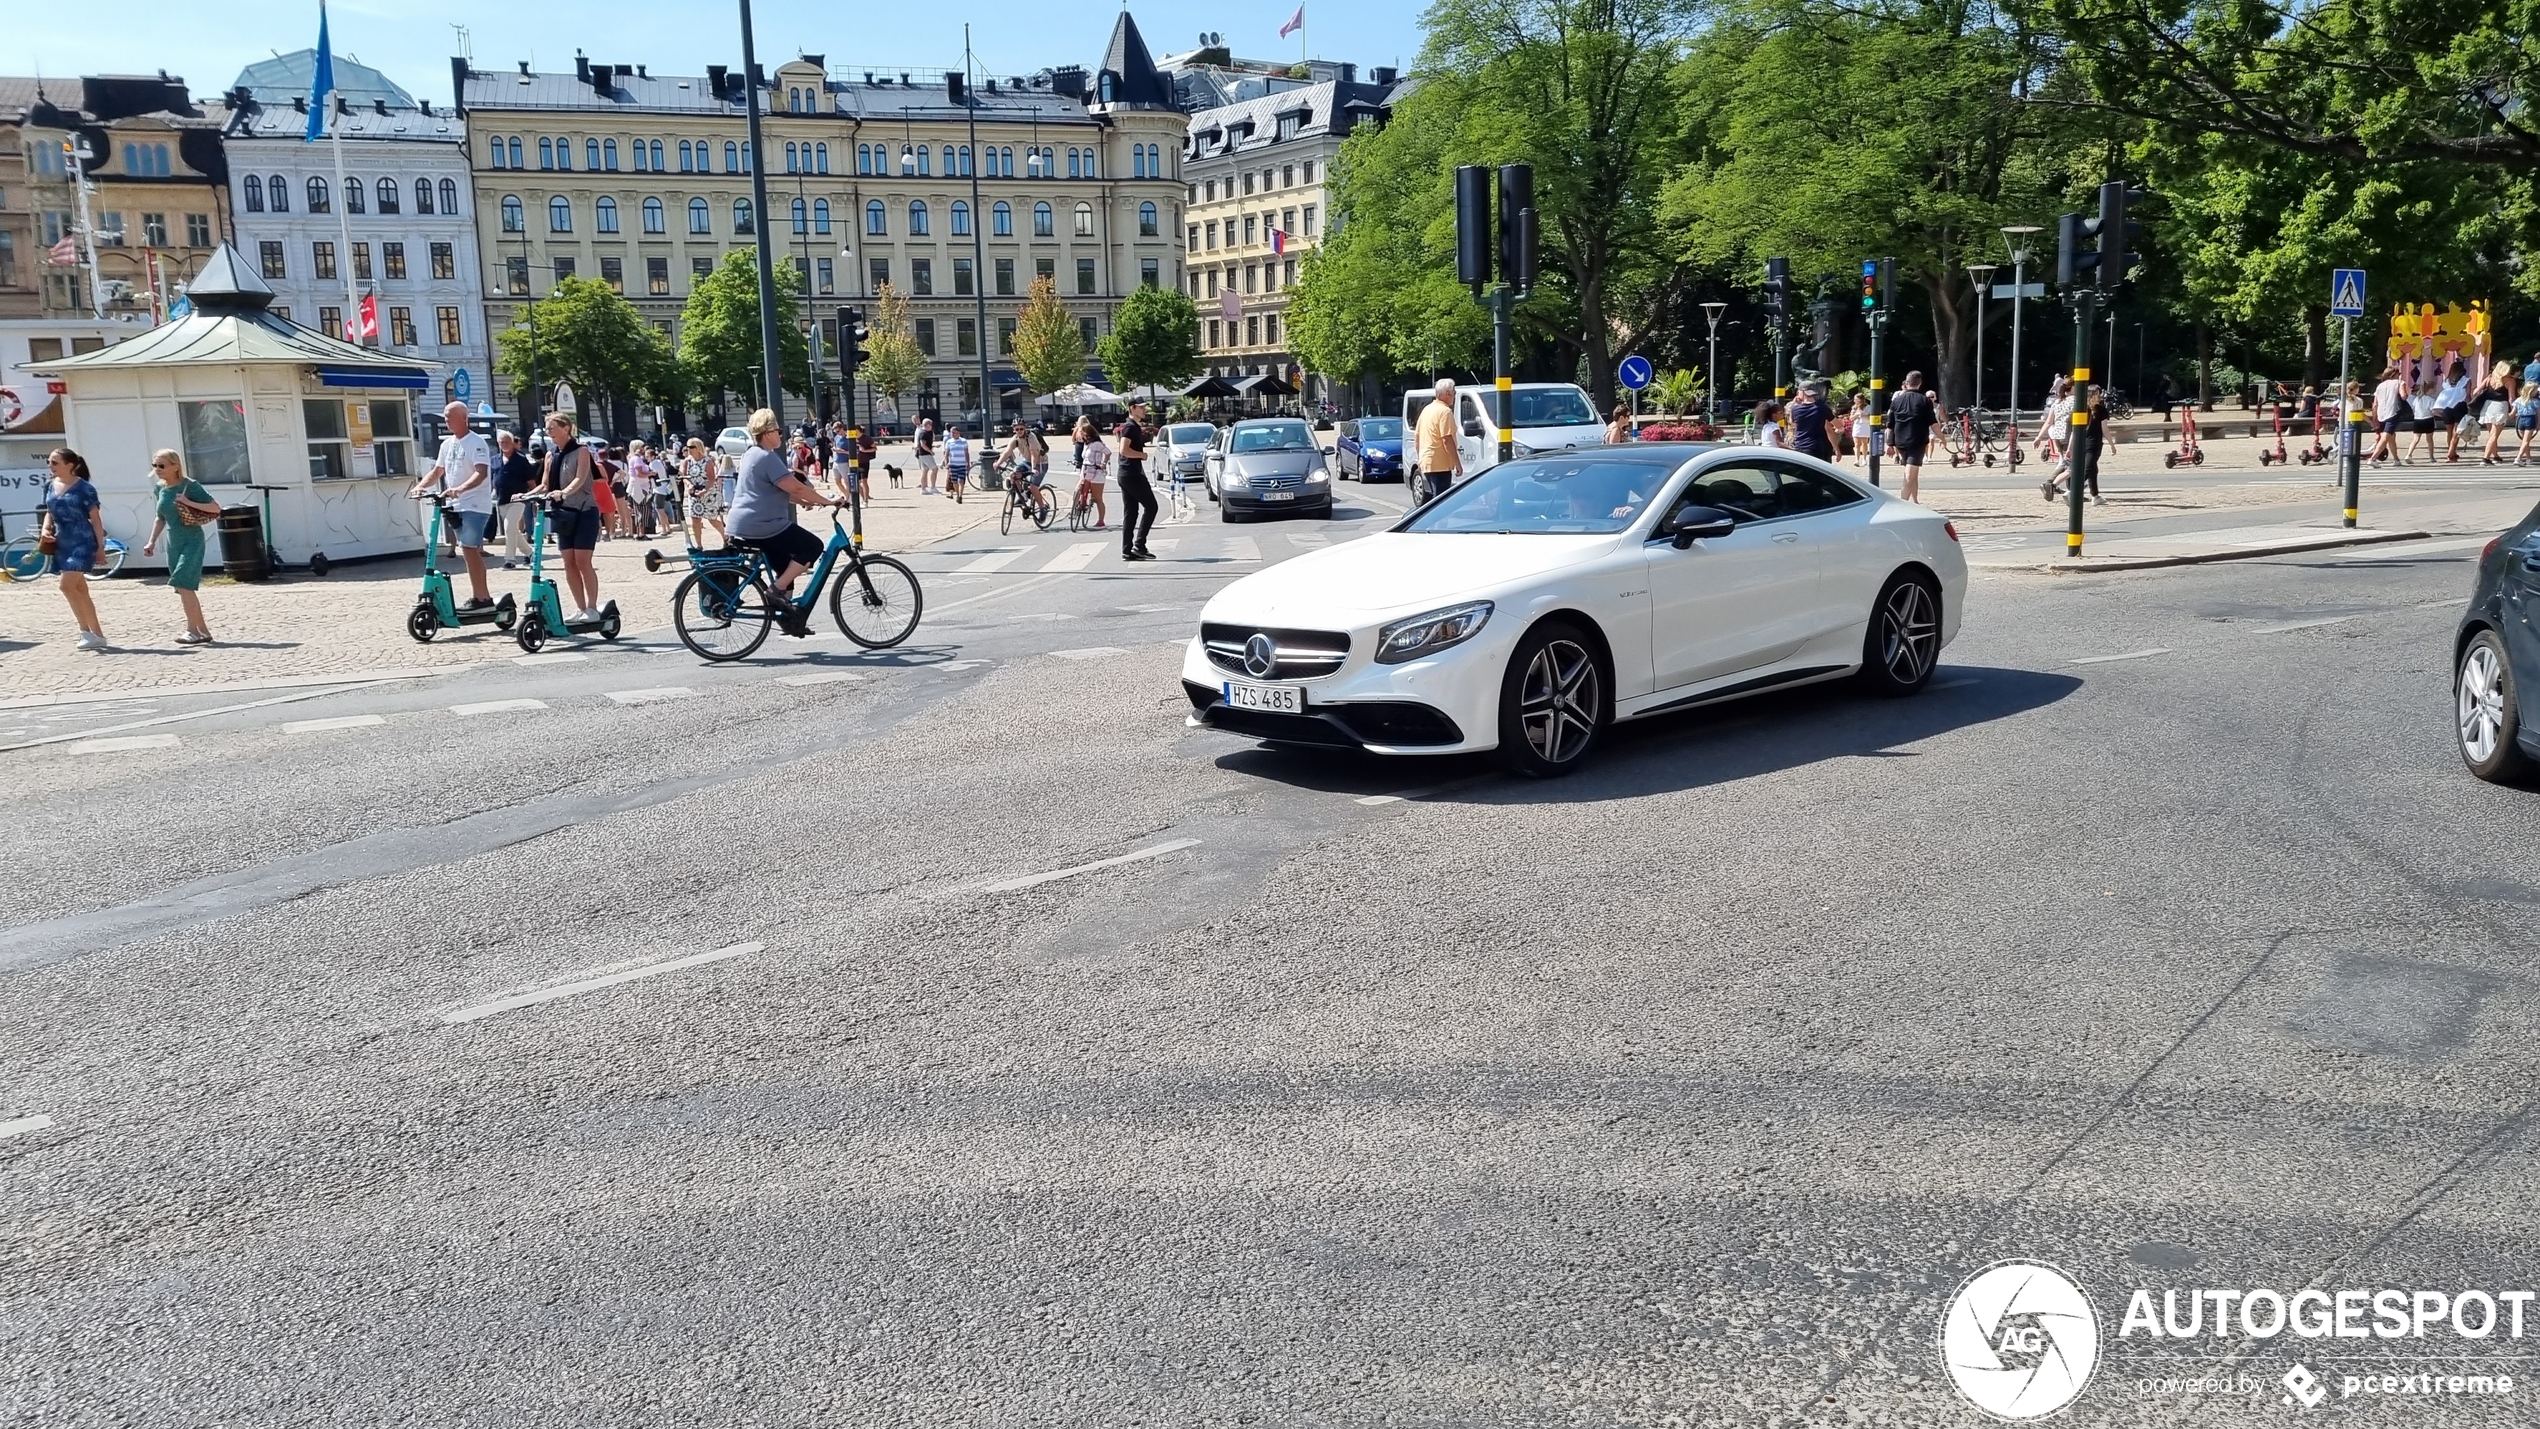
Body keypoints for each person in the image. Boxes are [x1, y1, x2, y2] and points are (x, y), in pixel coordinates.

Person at [725, 407, 846, 637]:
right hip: (763, 524)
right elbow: (796, 486)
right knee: (813, 547)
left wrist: (805, 502)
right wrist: (828, 502)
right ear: (767, 432)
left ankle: (789, 620)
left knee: (785, 568)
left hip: (746, 524)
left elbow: (783, 492)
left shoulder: (751, 454)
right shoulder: (767, 457)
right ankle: (775, 591)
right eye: (778, 430)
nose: (781, 435)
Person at [407, 399, 498, 610]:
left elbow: (481, 472)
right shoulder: (447, 444)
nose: (446, 420)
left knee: (469, 547)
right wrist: (420, 486)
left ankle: (483, 598)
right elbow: (438, 471)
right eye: (445, 416)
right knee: (467, 551)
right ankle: (480, 597)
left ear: (464, 419)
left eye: (450, 416)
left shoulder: (476, 442)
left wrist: (461, 488)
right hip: (455, 505)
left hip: (475, 504)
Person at [139, 449, 221, 645]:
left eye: (162, 465)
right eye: (155, 465)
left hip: (191, 538)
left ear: (175, 466)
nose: (158, 469)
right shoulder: (160, 488)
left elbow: (215, 508)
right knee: (183, 587)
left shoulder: (190, 486)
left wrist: (187, 501)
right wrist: (151, 541)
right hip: (173, 540)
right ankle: (203, 631)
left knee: (183, 582)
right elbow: (160, 517)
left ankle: (192, 630)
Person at [532, 412, 606, 622]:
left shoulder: (581, 451)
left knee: (583, 561)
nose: (549, 432)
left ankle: (592, 608)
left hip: (584, 511)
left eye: (552, 427)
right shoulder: (550, 455)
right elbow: (545, 484)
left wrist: (564, 492)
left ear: (566, 428)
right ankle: (580, 608)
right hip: (563, 514)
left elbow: (580, 479)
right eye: (547, 429)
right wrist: (526, 495)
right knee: (568, 562)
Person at [38, 448, 110, 651]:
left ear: (70, 465)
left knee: (66, 586)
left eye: (54, 462)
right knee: (80, 589)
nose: (50, 466)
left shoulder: (85, 488)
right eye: (49, 461)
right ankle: (97, 634)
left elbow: (95, 520)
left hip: (82, 540)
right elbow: (49, 512)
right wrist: (45, 529)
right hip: (63, 540)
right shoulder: (49, 486)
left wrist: (100, 548)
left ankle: (85, 631)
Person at [1115, 399, 1158, 561]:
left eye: (1144, 407)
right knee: (1151, 506)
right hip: (1131, 475)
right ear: (1132, 409)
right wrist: (1142, 455)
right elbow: (1124, 450)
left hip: (1128, 473)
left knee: (1131, 513)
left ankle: (1127, 550)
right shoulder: (1130, 427)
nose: (1144, 410)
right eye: (1141, 408)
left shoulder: (1132, 426)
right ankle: (1139, 545)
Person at [1885, 371, 1938, 502]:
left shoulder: (1896, 400)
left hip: (1900, 442)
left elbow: (1889, 425)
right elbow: (1933, 423)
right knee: (1909, 475)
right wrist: (1941, 437)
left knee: (1913, 474)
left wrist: (1889, 444)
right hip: (1917, 442)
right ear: (1920, 383)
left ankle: (1915, 501)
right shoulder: (1924, 400)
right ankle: (1902, 503)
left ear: (1906, 383)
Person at [493, 428, 538, 568]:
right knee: (512, 530)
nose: (504, 444)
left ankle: (510, 560)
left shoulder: (521, 459)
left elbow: (531, 481)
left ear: (513, 443)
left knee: (509, 527)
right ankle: (530, 553)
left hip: (518, 499)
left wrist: (533, 496)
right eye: (501, 442)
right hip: (501, 500)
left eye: (507, 442)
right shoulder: (494, 459)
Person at [1413, 377, 1464, 494]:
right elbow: (1447, 439)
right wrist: (1458, 464)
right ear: (1448, 394)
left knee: (1435, 498)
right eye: (1454, 393)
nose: (1454, 396)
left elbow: (1417, 438)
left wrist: (1420, 458)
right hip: (1440, 464)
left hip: (1427, 461)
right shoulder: (1445, 411)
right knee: (1441, 501)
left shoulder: (1427, 409)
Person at [680, 437, 725, 547]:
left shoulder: (707, 461)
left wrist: (704, 490)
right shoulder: (687, 461)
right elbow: (683, 476)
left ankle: (725, 536)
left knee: (712, 519)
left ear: (698, 447)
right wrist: (689, 484)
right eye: (687, 447)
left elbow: (711, 478)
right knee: (695, 520)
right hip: (694, 493)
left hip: (709, 493)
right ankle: (699, 545)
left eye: (691, 447)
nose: (689, 449)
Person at [1073, 416, 1111, 528]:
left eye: (1082, 433)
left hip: (1096, 472)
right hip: (1085, 470)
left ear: (1087, 433)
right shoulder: (1086, 444)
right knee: (1077, 490)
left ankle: (1101, 520)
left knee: (1097, 497)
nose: (1080, 435)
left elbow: (1108, 452)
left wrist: (1103, 463)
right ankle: (1077, 507)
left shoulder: (1097, 444)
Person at [1785, 383, 1836, 461]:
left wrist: (1795, 403)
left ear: (1802, 392)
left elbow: (1793, 423)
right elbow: (1839, 426)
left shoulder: (1795, 409)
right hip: (1816, 446)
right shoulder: (1822, 408)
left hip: (1799, 445)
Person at [2435, 361, 2473, 463]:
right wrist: (2470, 406)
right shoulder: (2466, 380)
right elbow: (2468, 395)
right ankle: (2450, 453)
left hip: (2446, 408)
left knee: (2449, 432)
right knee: (2456, 432)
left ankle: (2452, 453)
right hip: (2460, 407)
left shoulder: (2446, 381)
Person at [2369, 365, 2406, 465]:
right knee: (2385, 437)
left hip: (2381, 414)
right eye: (2399, 374)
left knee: (2391, 436)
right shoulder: (2399, 383)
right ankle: (2373, 458)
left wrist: (2374, 418)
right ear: (2395, 374)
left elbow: (2375, 404)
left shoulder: (2379, 386)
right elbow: (2403, 396)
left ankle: (2396, 459)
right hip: (2392, 412)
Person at [943, 425, 971, 502]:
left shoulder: (964, 441)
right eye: (951, 432)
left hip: (962, 464)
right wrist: (946, 463)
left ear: (958, 433)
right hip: (953, 464)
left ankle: (960, 496)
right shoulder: (949, 442)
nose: (952, 434)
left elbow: (966, 453)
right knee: (954, 481)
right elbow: (947, 453)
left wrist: (968, 463)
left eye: (954, 432)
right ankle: (957, 494)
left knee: (961, 480)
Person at [1844, 393, 1873, 467]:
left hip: (1865, 425)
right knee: (1857, 444)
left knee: (1864, 443)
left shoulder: (1868, 407)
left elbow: (1870, 417)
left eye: (1856, 399)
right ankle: (1856, 459)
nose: (1854, 401)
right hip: (1857, 426)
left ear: (1860, 399)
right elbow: (1851, 418)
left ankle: (1864, 459)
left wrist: (1863, 415)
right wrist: (1857, 415)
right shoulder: (1854, 408)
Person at [914, 416, 940, 494]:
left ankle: (923, 489)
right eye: (931, 424)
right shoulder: (923, 433)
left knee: (925, 470)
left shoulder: (929, 433)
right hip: (925, 454)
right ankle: (932, 487)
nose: (932, 426)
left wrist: (934, 446)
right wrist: (930, 451)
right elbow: (923, 445)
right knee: (935, 469)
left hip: (923, 454)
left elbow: (928, 444)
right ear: (927, 425)